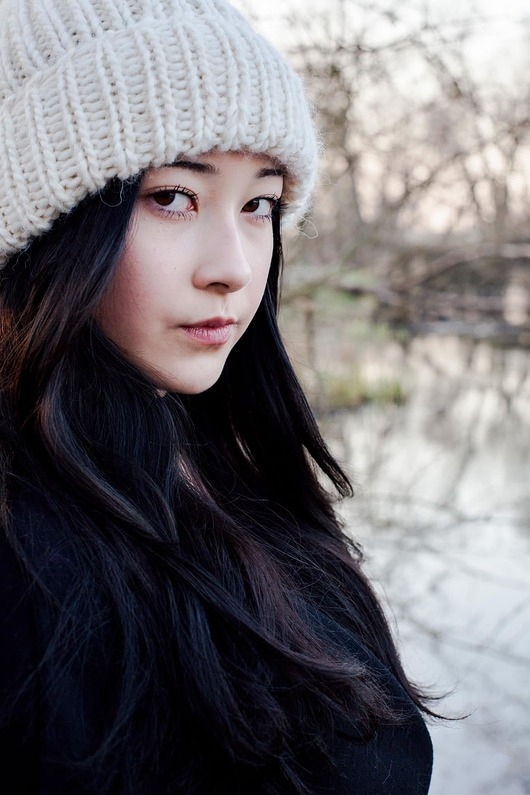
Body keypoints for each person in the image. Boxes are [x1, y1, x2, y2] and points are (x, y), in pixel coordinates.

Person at [0, 0, 434, 792]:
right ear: (46, 224)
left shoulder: (236, 474)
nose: (233, 266)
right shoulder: (26, 558)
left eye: (258, 204)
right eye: (172, 196)